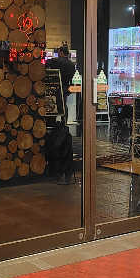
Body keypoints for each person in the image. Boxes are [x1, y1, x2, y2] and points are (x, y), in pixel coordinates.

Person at [46, 44, 76, 185]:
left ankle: (54, 123)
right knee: (64, 107)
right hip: (65, 88)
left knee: (54, 106)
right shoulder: (71, 65)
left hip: (56, 88)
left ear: (61, 52)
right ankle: (64, 123)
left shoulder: (56, 61)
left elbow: (47, 64)